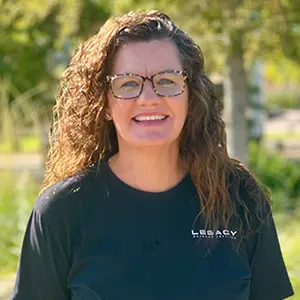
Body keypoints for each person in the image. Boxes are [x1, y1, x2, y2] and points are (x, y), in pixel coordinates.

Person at [12, 10, 294, 300]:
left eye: (167, 81)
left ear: (190, 94)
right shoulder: (62, 211)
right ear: (105, 104)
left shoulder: (239, 197)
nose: (149, 98)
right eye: (128, 83)